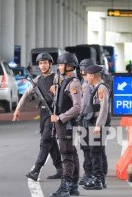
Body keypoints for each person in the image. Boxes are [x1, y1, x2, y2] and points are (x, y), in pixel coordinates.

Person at [12, 53, 63, 181]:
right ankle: (60, 169)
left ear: (50, 64)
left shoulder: (57, 78)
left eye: (45, 62)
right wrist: (18, 109)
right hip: (43, 113)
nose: (43, 65)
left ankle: (36, 170)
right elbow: (26, 95)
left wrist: (56, 89)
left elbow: (66, 94)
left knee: (46, 140)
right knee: (50, 141)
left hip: (54, 113)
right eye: (40, 63)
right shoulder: (36, 80)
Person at [50, 53, 82, 197]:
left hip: (66, 124)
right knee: (71, 152)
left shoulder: (74, 83)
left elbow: (77, 107)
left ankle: (66, 186)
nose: (59, 67)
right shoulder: (65, 81)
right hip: (64, 124)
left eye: (61, 65)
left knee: (66, 154)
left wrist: (60, 117)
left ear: (69, 66)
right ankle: (73, 185)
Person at [82, 64, 110, 190]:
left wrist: (98, 125)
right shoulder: (96, 87)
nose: (85, 77)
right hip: (95, 122)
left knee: (95, 151)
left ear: (92, 75)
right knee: (95, 151)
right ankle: (100, 179)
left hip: (99, 123)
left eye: (87, 74)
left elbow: (104, 109)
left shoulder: (101, 88)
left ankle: (98, 179)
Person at [76, 59, 95, 187]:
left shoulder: (86, 84)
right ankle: (98, 173)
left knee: (87, 149)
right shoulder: (91, 82)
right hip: (91, 120)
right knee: (95, 149)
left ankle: (89, 174)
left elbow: (84, 103)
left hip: (86, 120)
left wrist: (78, 115)